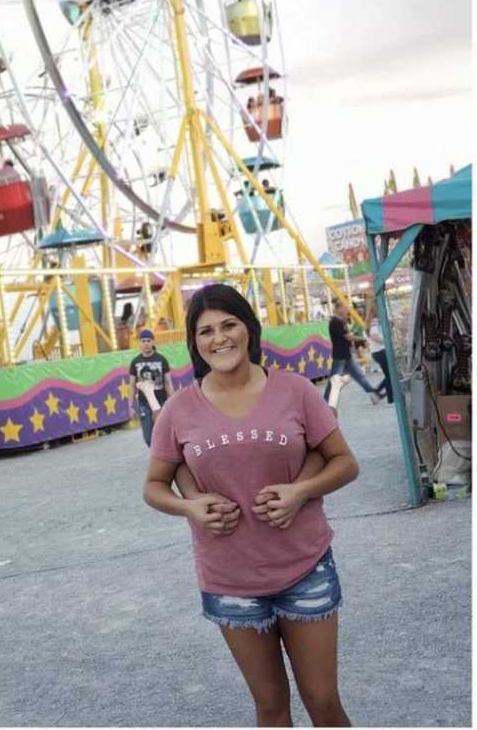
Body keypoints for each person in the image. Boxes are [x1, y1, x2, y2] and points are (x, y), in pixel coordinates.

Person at [144, 285, 359, 728]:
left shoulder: (295, 391)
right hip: (230, 579)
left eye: (229, 325)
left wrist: (300, 492)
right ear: (195, 342)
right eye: (206, 331)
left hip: (306, 567)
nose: (219, 338)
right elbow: (153, 487)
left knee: (323, 701)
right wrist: (191, 507)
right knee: (270, 706)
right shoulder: (178, 411)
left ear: (248, 329)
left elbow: (345, 463)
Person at [325, 301, 382, 404]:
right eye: (345, 308)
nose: (347, 310)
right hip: (340, 355)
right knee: (334, 380)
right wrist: (364, 338)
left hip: (346, 355)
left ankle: (373, 393)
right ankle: (325, 400)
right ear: (339, 309)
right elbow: (349, 337)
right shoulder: (335, 322)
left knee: (359, 375)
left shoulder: (341, 322)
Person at [127, 329, 174, 447]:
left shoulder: (161, 359)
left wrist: (173, 402)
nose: (146, 343)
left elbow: (168, 383)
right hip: (145, 406)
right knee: (148, 438)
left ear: (153, 342)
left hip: (162, 403)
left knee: (166, 435)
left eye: (149, 340)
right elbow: (132, 386)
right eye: (143, 341)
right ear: (139, 342)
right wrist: (130, 406)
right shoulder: (135, 362)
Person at [365, 302, 393, 404]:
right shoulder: (375, 321)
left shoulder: (373, 321)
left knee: (389, 375)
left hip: (377, 351)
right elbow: (373, 335)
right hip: (381, 350)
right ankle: (390, 398)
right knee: (390, 375)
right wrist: (385, 341)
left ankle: (376, 393)